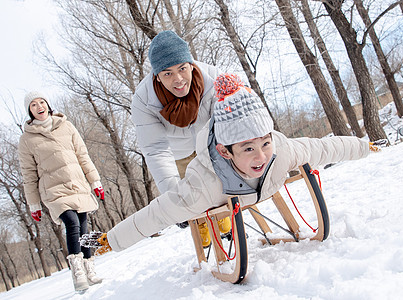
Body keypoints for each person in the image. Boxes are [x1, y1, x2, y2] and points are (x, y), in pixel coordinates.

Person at [91, 73, 379, 254]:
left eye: (265, 144)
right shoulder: (203, 185)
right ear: (226, 152)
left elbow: (324, 147)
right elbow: (157, 213)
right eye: (249, 149)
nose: (261, 157)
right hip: (221, 187)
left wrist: (364, 146)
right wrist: (111, 240)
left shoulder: (281, 152)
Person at [131, 30, 228, 231]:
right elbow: (156, 149)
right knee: (192, 200)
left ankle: (226, 227)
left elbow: (227, 123)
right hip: (178, 155)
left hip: (210, 145)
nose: (178, 79)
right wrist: (175, 202)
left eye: (182, 68)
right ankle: (202, 233)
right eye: (167, 73)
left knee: (219, 193)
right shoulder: (143, 100)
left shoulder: (213, 78)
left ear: (191, 65)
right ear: (157, 77)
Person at [18, 91, 104, 292]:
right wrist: (34, 204)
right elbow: (28, 174)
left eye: (41, 102)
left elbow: (82, 155)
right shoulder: (27, 140)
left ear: (48, 104)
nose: (39, 107)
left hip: (77, 184)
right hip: (53, 190)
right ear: (29, 111)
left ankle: (89, 267)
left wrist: (95, 181)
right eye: (33, 105)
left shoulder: (66, 126)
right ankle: (77, 272)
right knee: (72, 223)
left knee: (83, 224)